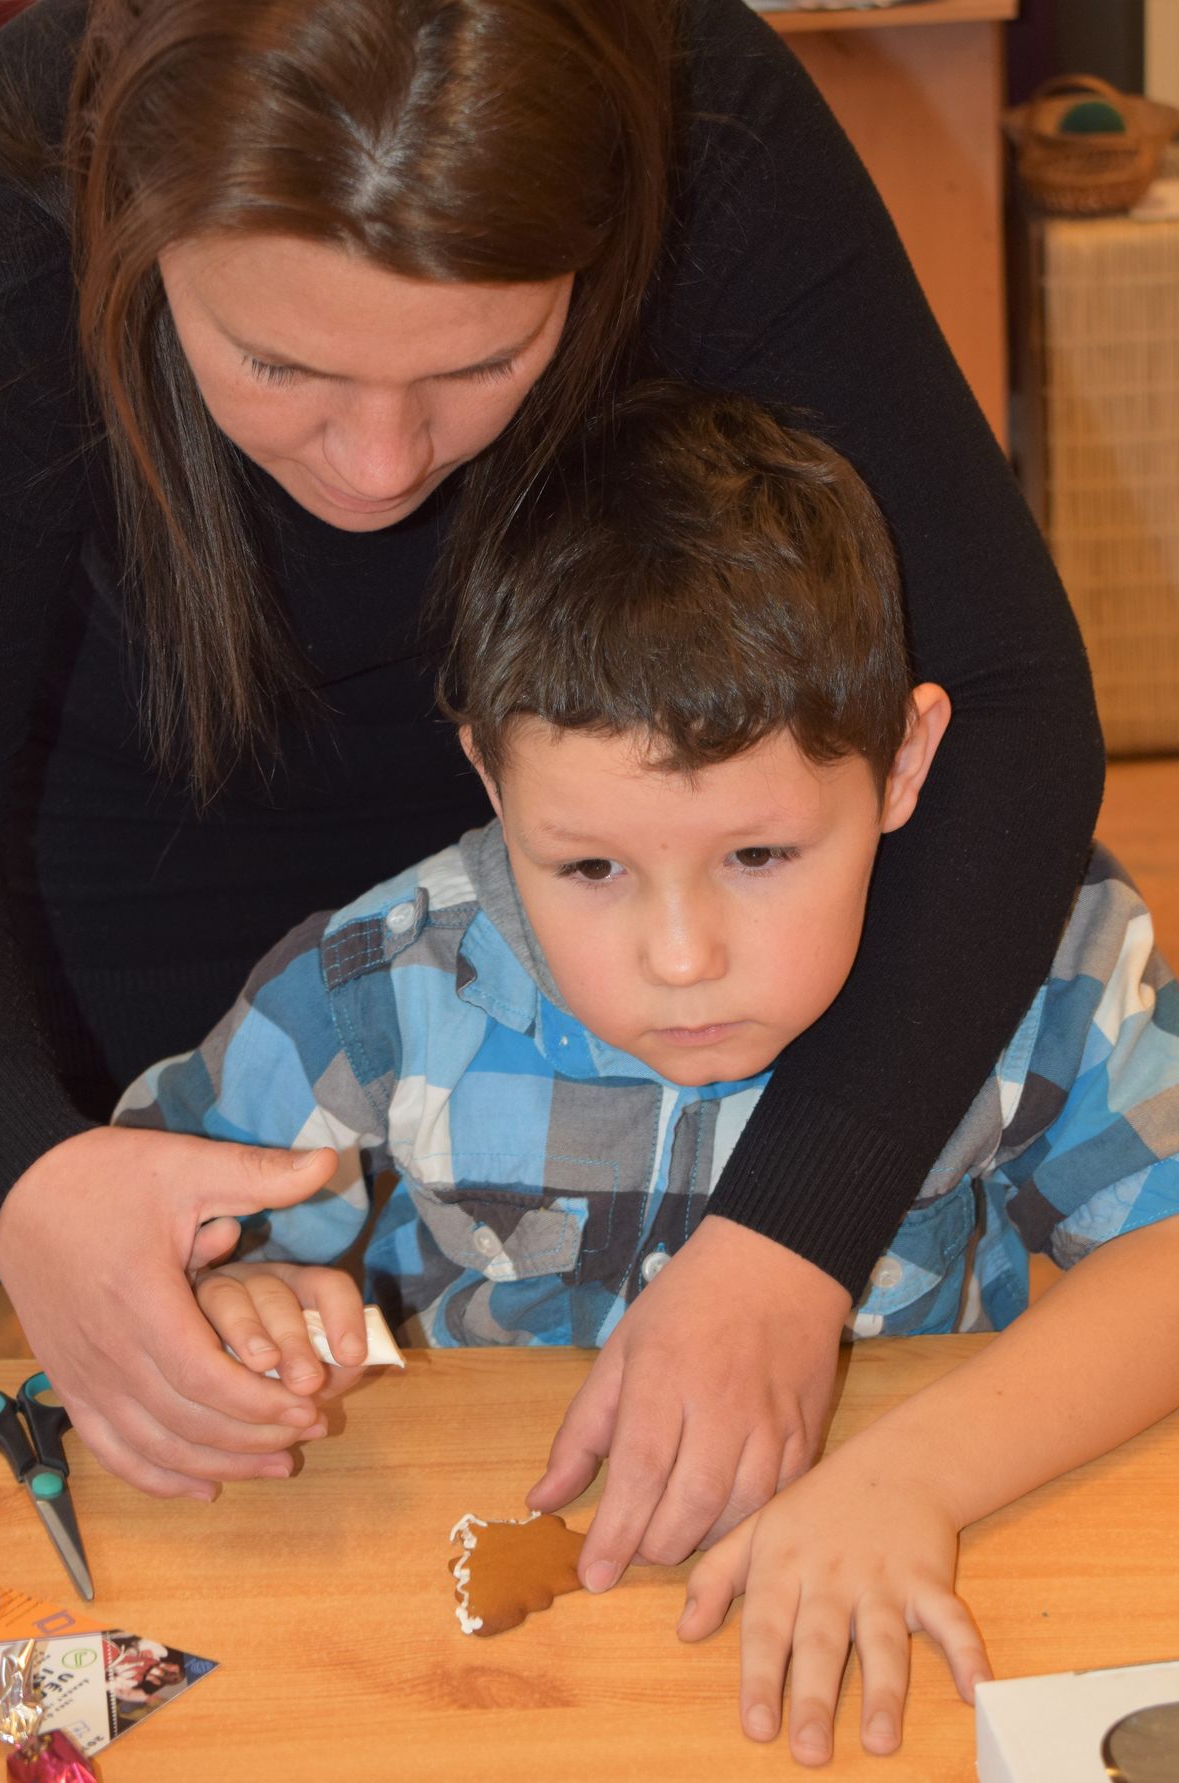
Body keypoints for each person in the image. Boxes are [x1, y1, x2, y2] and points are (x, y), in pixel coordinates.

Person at [0, 0, 1103, 1576]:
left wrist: (793, 1231)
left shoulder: (701, 110)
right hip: (129, 972)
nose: (381, 466)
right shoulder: (15, 179)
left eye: (483, 361)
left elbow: (1012, 701)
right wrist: (21, 1168)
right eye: (277, 362)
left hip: (632, 844)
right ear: (130, 228)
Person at [118, 383, 1179, 1765]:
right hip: (494, 1691)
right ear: (491, 776)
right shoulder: (379, 990)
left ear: (905, 759)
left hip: (864, 1629)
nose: (683, 959)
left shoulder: (1031, 958)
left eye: (759, 856)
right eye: (590, 867)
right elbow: (153, 1223)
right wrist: (232, 1301)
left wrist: (918, 1476)